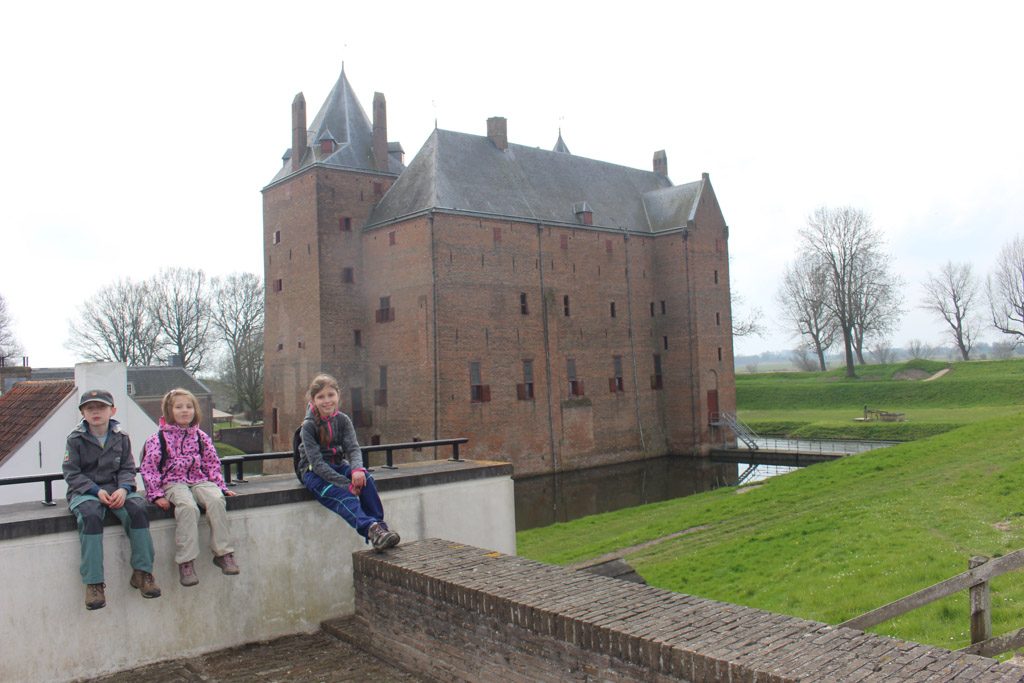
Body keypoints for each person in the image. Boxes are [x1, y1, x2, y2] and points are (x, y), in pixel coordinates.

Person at [63, 389, 161, 610]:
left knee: (137, 510)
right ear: (83, 413)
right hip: (85, 492)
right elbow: (72, 473)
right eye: (90, 408)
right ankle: (94, 583)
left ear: (112, 410)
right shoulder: (75, 439)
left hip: (117, 490)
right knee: (90, 517)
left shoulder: (121, 437)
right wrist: (96, 491)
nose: (95, 412)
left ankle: (143, 572)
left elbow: (127, 467)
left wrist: (124, 489)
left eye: (101, 407)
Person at [140, 388, 239, 586]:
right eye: (179, 407)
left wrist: (220, 486)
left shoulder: (200, 436)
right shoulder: (158, 438)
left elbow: (211, 463)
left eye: (189, 406)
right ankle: (186, 561)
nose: (185, 411)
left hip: (199, 479)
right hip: (173, 482)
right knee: (187, 507)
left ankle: (223, 553)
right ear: (169, 411)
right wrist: (156, 494)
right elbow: (149, 468)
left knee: (216, 500)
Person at [297, 373, 400, 551]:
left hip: (337, 464)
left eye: (330, 395)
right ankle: (371, 529)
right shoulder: (308, 426)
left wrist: (357, 470)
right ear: (313, 400)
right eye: (321, 397)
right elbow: (317, 463)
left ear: (338, 396)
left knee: (366, 480)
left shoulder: (343, 420)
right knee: (343, 496)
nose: (327, 401)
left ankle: (380, 528)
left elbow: (353, 448)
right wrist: (347, 484)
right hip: (314, 473)